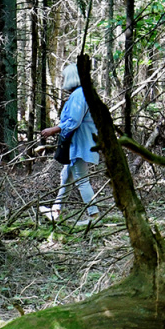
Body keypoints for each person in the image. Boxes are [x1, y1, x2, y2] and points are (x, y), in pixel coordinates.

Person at [40, 63, 99, 224]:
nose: (63, 80)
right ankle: (56, 210)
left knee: (81, 179)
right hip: (79, 143)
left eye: (65, 77)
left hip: (80, 143)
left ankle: (94, 215)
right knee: (66, 176)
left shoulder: (80, 95)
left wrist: (53, 130)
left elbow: (74, 121)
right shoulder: (83, 93)